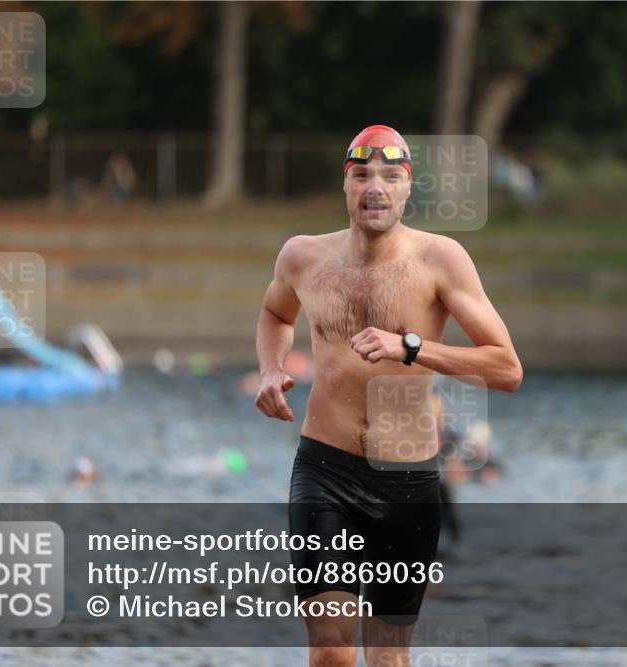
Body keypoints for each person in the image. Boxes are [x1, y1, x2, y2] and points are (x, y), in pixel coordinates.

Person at [255, 124, 522, 667]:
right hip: (324, 469)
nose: (375, 187)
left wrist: (411, 346)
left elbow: (506, 367)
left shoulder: (440, 259)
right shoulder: (303, 257)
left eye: (390, 176)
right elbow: (275, 313)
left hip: (407, 478)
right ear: (346, 185)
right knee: (331, 651)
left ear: (407, 187)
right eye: (363, 175)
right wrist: (269, 368)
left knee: (387, 658)